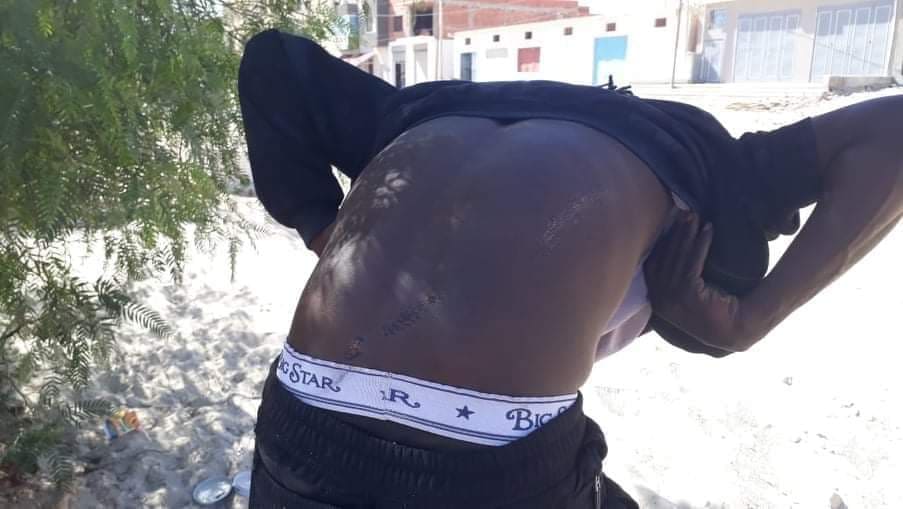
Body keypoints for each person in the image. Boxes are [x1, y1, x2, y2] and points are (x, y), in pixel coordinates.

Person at [238, 29, 903, 508]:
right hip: (491, 457)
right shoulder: (708, 164)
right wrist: (747, 321)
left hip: (305, 416)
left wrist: (322, 224)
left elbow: (272, 58)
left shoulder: (415, 114)